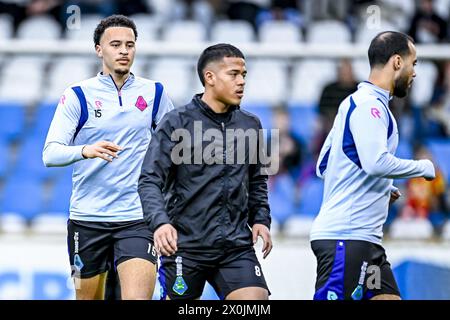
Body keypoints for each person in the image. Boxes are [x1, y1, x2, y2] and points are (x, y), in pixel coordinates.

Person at [42, 15, 174, 300]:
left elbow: (173, 150)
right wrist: (85, 150)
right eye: (115, 44)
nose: (124, 50)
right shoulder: (77, 95)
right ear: (99, 49)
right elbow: (50, 153)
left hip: (137, 217)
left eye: (130, 44)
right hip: (87, 219)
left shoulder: (155, 93)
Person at [138, 43, 273, 300]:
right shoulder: (176, 123)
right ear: (209, 77)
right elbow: (149, 180)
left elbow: (257, 180)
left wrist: (260, 219)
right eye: (233, 74)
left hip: (235, 247)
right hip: (184, 246)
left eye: (244, 75)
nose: (241, 81)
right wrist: (160, 223)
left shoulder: (252, 124)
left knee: (255, 301)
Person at [310, 31, 436, 300]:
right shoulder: (369, 106)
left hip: (367, 242)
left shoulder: (355, 103)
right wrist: (422, 167)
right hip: (346, 239)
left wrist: (378, 191)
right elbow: (375, 162)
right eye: (414, 64)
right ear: (398, 62)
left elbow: (324, 165)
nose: (414, 73)